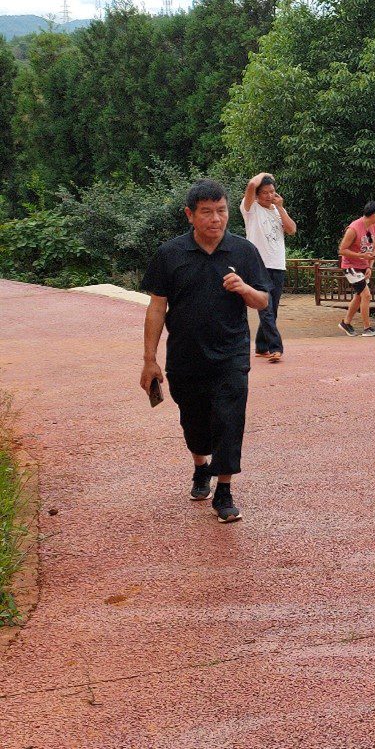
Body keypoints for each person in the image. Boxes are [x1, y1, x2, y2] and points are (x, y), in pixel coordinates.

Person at [140, 179, 270, 523]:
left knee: (229, 418)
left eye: (222, 211)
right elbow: (156, 308)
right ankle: (201, 467)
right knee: (194, 421)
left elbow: (263, 300)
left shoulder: (244, 252)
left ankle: (224, 490)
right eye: (207, 212)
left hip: (231, 354)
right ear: (190, 215)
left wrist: (243, 288)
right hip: (185, 356)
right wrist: (149, 360)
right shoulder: (170, 255)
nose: (216, 218)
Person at [241, 172, 296, 363]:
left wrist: (280, 207)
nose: (269, 195)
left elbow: (291, 230)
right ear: (257, 195)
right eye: (264, 192)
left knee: (273, 308)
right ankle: (275, 347)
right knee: (266, 308)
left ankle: (262, 346)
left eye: (272, 191)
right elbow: (250, 185)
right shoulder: (251, 209)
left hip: (278, 264)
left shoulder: (277, 209)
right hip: (258, 265)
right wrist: (264, 174)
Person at [338, 200, 375, 336]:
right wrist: (360, 255)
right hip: (351, 266)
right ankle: (367, 327)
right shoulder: (354, 228)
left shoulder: (374, 227)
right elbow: (342, 250)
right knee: (366, 295)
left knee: (359, 296)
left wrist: (370, 267)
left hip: (364, 266)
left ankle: (346, 323)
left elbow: (373, 249)